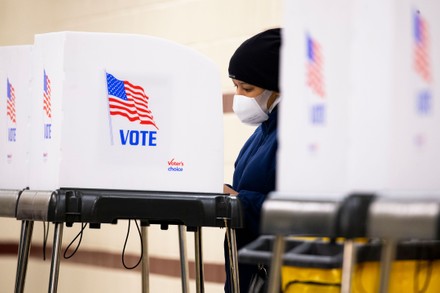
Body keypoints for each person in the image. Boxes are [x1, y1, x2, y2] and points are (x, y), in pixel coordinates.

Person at [224, 28, 282, 293]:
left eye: (247, 88)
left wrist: (238, 201)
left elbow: (298, 211)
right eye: (236, 86)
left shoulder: (295, 138)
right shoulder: (260, 133)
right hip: (245, 276)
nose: (239, 97)